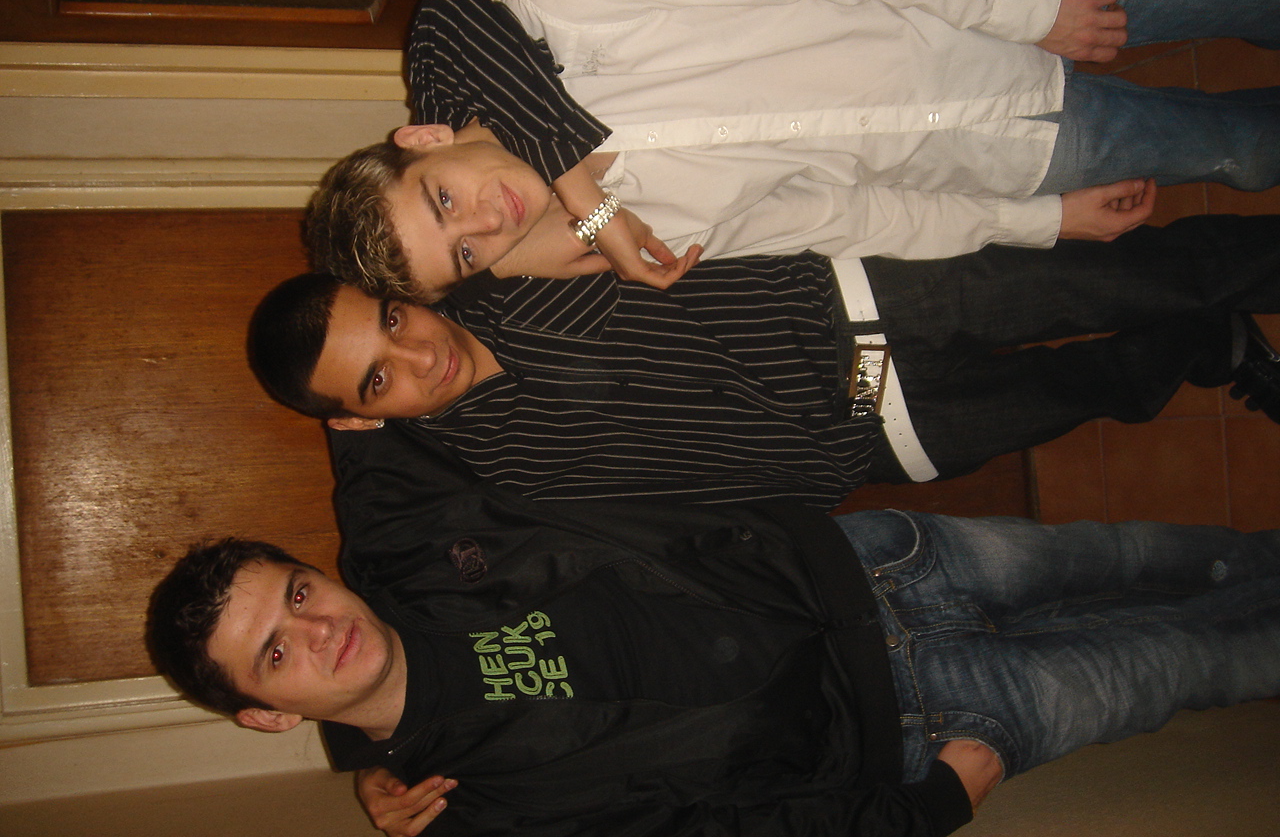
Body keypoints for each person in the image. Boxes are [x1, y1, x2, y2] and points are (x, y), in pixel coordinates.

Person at [147, 422, 1280, 837]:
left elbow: (353, 335)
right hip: (913, 720)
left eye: (298, 593)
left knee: (1150, 553)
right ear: (265, 714)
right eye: (276, 654)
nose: (318, 630)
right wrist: (923, 812)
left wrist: (357, 754)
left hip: (874, 562)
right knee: (1191, 661)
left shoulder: (400, 538)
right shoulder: (476, 815)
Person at [304, 0, 1280, 301]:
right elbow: (843, 216)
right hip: (1008, 150)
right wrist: (1037, 221)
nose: (485, 222)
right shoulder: (630, 240)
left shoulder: (553, 0)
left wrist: (1026, 9)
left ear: (422, 136)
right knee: (1246, 154)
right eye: (465, 254)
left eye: (442, 200)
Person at [252, 209, 1280, 509]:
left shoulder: (497, 266)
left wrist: (590, 211)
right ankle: (1212, 343)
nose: (419, 351)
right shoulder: (508, 477)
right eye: (377, 377)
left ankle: (1241, 276)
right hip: (883, 432)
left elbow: (458, 27)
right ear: (357, 419)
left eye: (392, 318)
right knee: (1090, 388)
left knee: (1122, 277)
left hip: (863, 302)